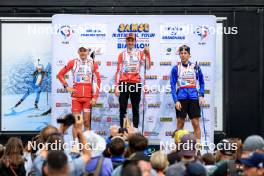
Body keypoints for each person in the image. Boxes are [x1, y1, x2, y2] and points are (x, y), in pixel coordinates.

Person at [57, 45, 101, 131]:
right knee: (77, 123)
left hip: (88, 98)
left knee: (86, 122)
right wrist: (66, 87)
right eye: (81, 50)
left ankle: (86, 144)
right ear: (78, 52)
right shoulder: (73, 62)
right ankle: (76, 144)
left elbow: (98, 81)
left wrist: (95, 97)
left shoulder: (93, 63)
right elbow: (60, 75)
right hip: (76, 98)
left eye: (84, 50)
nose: (83, 52)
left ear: (88, 52)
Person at [114, 33, 151, 131]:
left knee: (135, 108)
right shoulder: (121, 54)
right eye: (128, 40)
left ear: (135, 42)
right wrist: (117, 86)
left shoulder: (140, 53)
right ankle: (122, 130)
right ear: (126, 41)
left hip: (135, 83)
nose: (130, 42)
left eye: (132, 40)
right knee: (122, 109)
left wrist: (148, 53)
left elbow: (147, 66)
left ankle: (135, 130)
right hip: (124, 83)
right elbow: (118, 71)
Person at [170, 45, 205, 144]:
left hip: (194, 97)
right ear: (179, 55)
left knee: (196, 123)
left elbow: (202, 82)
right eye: (181, 53)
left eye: (185, 53)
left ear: (189, 55)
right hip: (181, 98)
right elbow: (172, 85)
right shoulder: (176, 68)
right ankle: (178, 150)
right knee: (180, 124)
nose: (183, 55)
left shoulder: (196, 67)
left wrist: (201, 95)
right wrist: (176, 100)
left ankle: (197, 149)